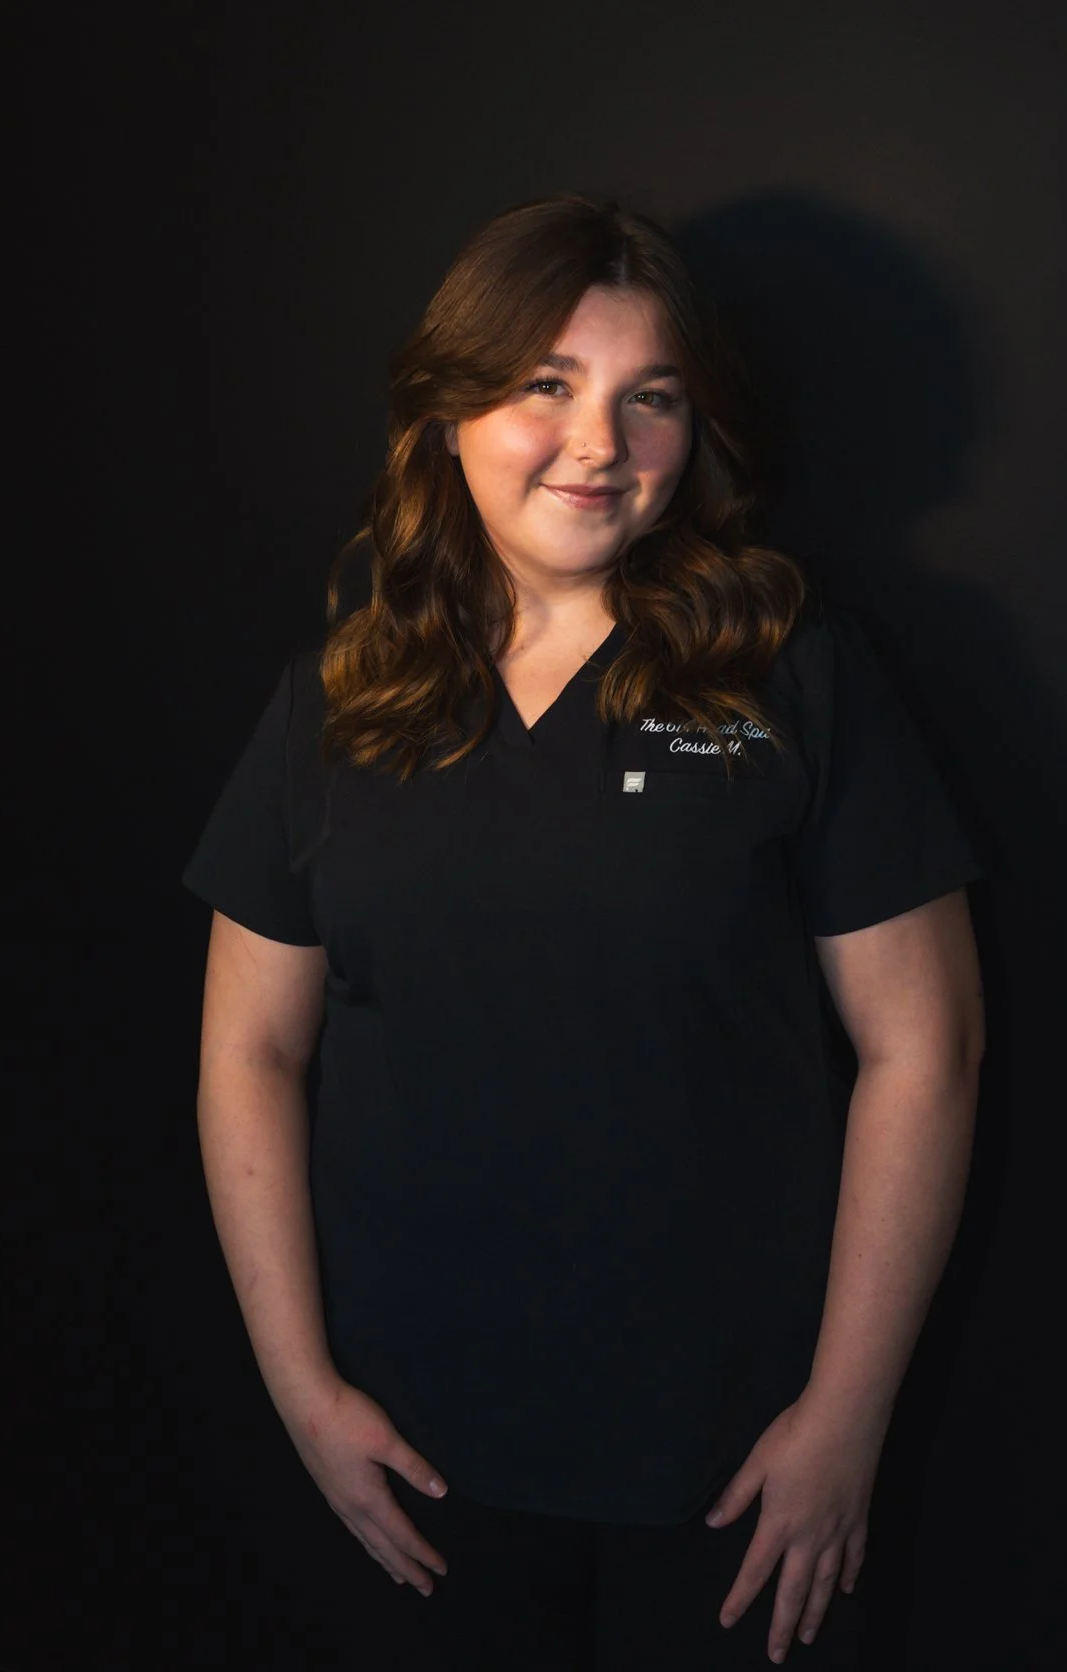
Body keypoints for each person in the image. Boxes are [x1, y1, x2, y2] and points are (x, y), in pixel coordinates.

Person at [183, 192, 986, 1670]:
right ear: (444, 412)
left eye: (650, 398)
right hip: (411, 1462)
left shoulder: (789, 669)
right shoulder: (339, 698)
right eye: (544, 385)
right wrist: (303, 1392)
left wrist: (842, 1417)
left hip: (736, 1465)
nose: (600, 442)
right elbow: (247, 1051)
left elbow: (922, 1048)